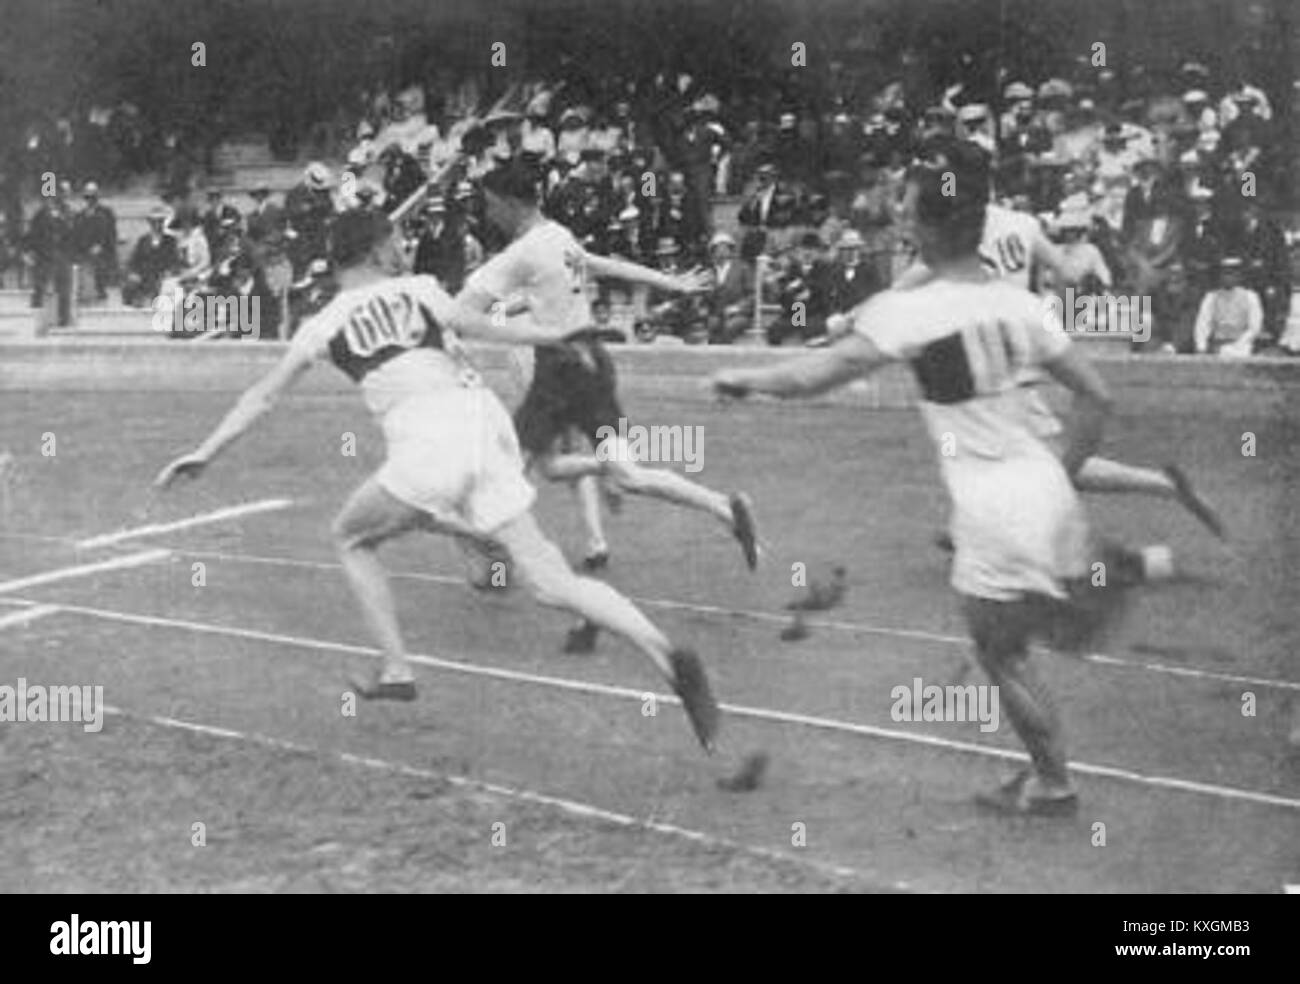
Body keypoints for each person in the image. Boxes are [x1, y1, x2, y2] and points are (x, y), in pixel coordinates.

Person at [153, 212, 720, 753]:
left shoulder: (323, 323)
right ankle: (667, 654)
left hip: (428, 439)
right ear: (376, 249)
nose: (403, 247)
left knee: (351, 537)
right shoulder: (421, 286)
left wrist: (206, 451)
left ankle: (397, 666)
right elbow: (469, 323)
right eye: (395, 240)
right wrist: (549, 336)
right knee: (548, 581)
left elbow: (265, 395)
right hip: (484, 424)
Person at [711, 137, 1133, 815]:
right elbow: (1098, 397)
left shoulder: (911, 309)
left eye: (910, 214)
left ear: (930, 228)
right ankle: (1088, 600)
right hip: (1041, 482)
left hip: (991, 506)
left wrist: (741, 377)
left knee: (1000, 654)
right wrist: (1062, 471)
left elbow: (812, 375)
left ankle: (1055, 782)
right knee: (1013, 637)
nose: (903, 223)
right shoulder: (1018, 305)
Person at [456, 156, 761, 578]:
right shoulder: (559, 236)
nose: (489, 213)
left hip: (561, 367)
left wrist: (510, 336)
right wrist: (670, 281)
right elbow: (606, 264)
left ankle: (493, 557)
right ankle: (724, 508)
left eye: (491, 204)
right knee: (603, 472)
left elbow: (460, 315)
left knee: (514, 468)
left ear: (510, 202)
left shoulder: (520, 253)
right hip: (591, 360)